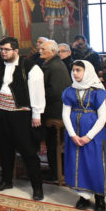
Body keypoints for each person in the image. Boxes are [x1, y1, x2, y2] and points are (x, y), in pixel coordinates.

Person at [0, 37, 45, 201]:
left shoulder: (30, 67)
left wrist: (37, 113)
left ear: (16, 51)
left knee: (28, 151)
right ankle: (6, 181)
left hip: (20, 114)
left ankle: (37, 187)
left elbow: (37, 91)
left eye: (7, 50)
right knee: (4, 149)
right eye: (1, 49)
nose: (3, 52)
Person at [62, 60, 106, 211]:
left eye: (78, 70)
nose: (75, 73)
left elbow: (103, 117)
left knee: (95, 164)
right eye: (73, 70)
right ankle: (84, 196)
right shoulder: (69, 91)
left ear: (87, 71)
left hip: (93, 135)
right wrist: (72, 134)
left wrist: (88, 136)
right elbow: (65, 114)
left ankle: (100, 197)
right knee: (77, 163)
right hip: (74, 134)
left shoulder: (97, 91)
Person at [38, 39, 71, 182]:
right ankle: (54, 170)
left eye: (43, 49)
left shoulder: (55, 66)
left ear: (52, 52)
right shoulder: (51, 64)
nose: (40, 51)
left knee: (53, 143)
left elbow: (56, 92)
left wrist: (38, 95)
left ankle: (56, 172)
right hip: (52, 109)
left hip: (54, 111)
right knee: (51, 143)